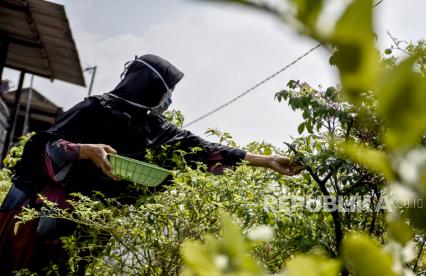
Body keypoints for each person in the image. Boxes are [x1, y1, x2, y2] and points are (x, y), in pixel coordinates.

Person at [0, 54, 301, 273]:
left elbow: (205, 149)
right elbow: (44, 148)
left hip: (89, 224)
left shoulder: (153, 127)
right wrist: (84, 150)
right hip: (38, 218)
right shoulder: (93, 109)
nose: (169, 98)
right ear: (148, 87)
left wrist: (267, 160)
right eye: (167, 90)